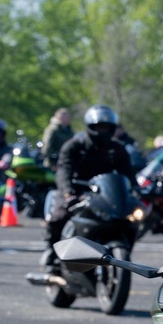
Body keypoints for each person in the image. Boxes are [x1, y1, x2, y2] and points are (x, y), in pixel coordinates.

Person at [42, 106, 137, 269]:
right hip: (76, 191)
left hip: (104, 194)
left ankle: (123, 251)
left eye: (106, 127)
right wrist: (67, 192)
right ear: (90, 127)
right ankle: (52, 251)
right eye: (99, 127)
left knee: (130, 219)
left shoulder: (118, 149)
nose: (102, 131)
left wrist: (136, 191)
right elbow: (64, 170)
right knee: (58, 215)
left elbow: (128, 173)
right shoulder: (74, 145)